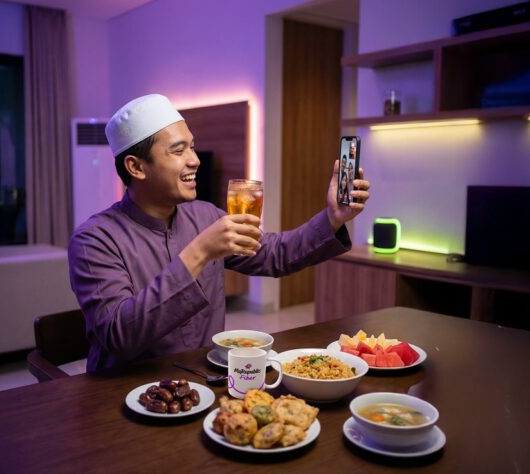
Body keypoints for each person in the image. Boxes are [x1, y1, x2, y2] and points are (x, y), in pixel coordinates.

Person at [68, 94, 371, 372]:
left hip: (203, 380)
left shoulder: (205, 215)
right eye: (178, 151)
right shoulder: (94, 240)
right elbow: (119, 336)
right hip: (125, 392)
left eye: (192, 146)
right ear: (136, 167)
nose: (194, 160)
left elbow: (276, 254)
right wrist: (199, 252)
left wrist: (332, 218)